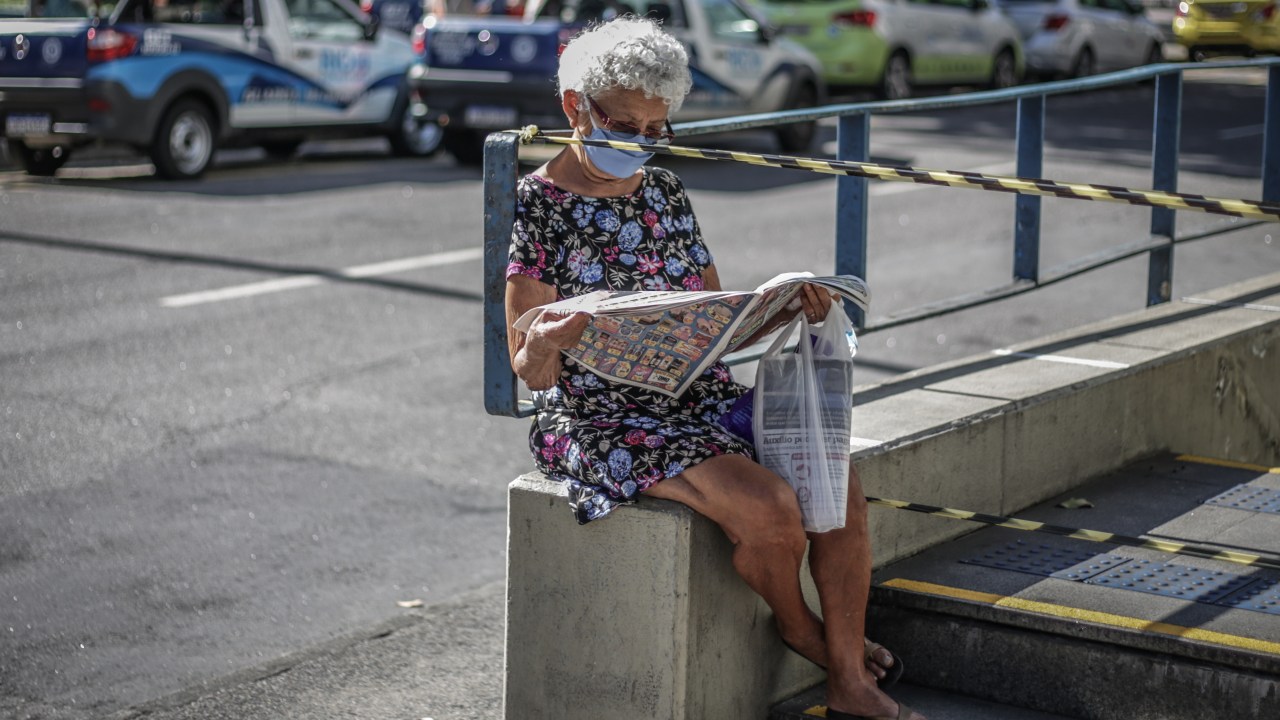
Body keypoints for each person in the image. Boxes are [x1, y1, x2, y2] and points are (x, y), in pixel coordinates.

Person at [503, 16, 923, 720]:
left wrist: (785, 310)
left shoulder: (663, 192)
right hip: (603, 418)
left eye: (655, 128)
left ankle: (850, 678)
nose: (638, 142)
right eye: (625, 123)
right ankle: (798, 628)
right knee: (769, 511)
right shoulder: (536, 205)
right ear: (575, 107)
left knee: (837, 483)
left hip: (694, 395)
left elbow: (713, 320)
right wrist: (556, 336)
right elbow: (531, 370)